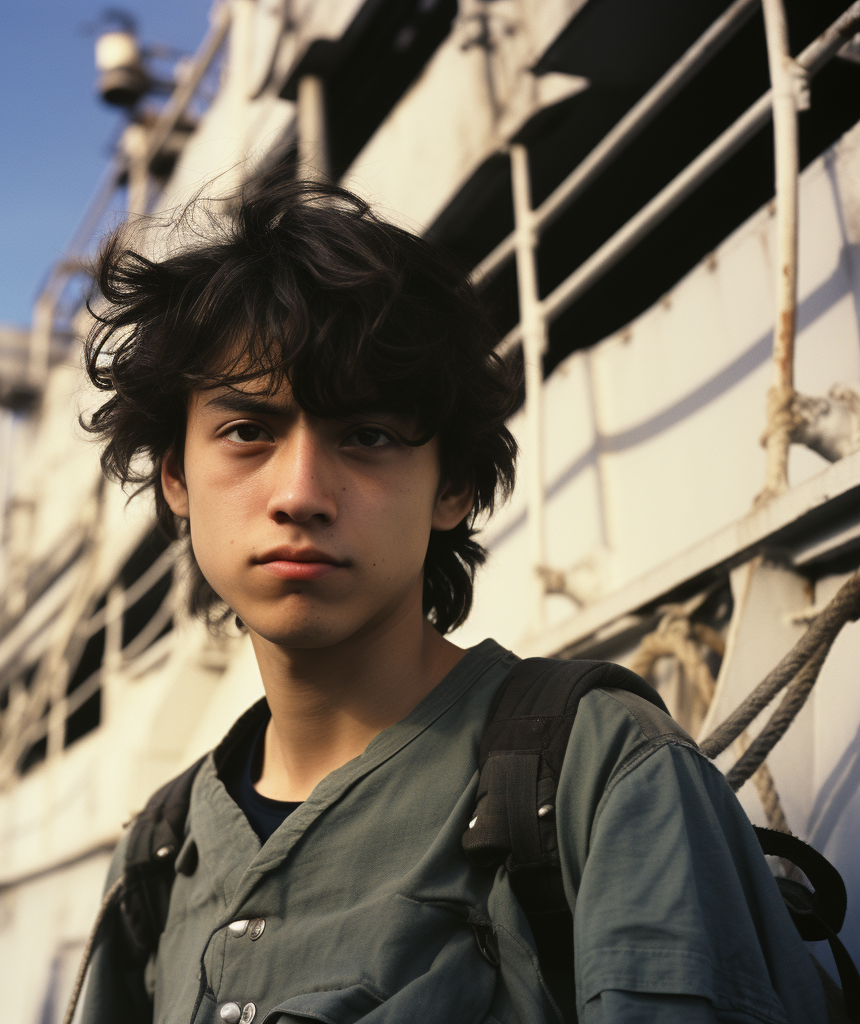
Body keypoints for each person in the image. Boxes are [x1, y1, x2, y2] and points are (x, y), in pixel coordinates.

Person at [78, 174, 824, 1023]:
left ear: (454, 487)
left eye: (368, 436)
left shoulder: (603, 775)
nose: (302, 492)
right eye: (248, 431)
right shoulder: (160, 852)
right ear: (176, 476)